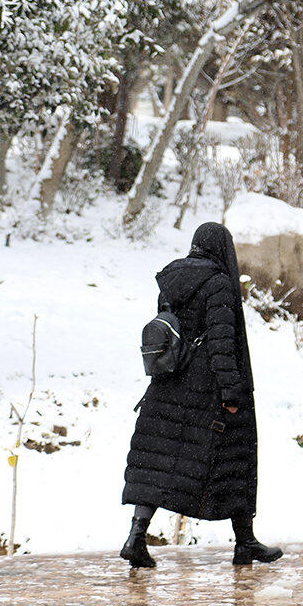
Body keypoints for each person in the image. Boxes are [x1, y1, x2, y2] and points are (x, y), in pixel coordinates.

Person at [120, 222, 282, 569]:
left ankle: (136, 537)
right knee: (237, 461)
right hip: (208, 394)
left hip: (167, 388)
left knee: (154, 466)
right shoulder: (220, 284)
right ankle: (245, 542)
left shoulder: (172, 280)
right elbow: (223, 345)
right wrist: (232, 392)